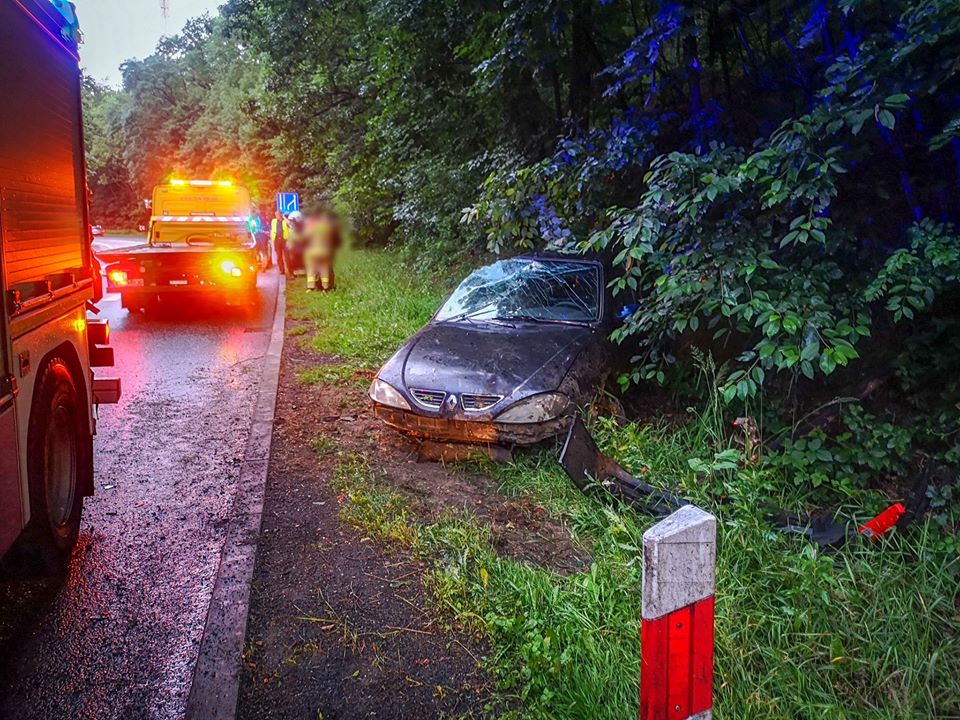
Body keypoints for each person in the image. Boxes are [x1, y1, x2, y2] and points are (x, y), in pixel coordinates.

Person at [304, 209, 341, 291]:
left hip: (313, 252)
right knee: (325, 270)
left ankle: (311, 287)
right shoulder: (329, 228)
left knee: (312, 270)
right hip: (325, 252)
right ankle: (326, 287)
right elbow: (335, 241)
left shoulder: (311, 227)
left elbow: (305, 238)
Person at [270, 210, 291, 277]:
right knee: (279, 257)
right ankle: (282, 270)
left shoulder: (285, 221)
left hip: (284, 240)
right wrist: (272, 240)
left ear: (281, 214)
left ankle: (290, 271)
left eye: (278, 214)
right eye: (276, 215)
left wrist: (284, 217)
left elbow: (290, 223)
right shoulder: (273, 221)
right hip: (277, 240)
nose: (277, 216)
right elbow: (272, 230)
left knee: (287, 257)